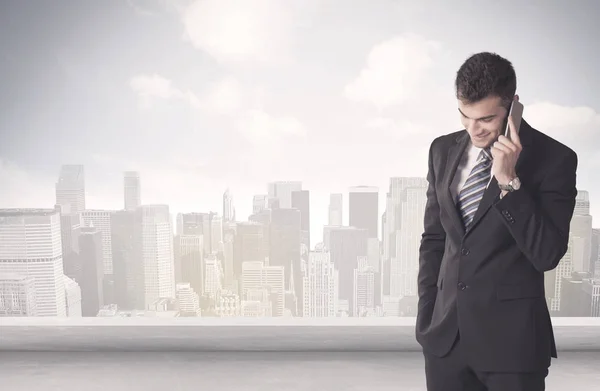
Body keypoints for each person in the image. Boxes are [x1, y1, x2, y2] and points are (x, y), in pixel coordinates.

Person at [415, 51, 578, 391]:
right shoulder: (441, 150)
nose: (473, 129)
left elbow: (546, 254)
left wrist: (509, 183)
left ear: (513, 106)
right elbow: (434, 239)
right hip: (446, 343)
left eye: (486, 119)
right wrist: (427, 316)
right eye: (465, 115)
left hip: (512, 348)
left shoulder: (555, 159)